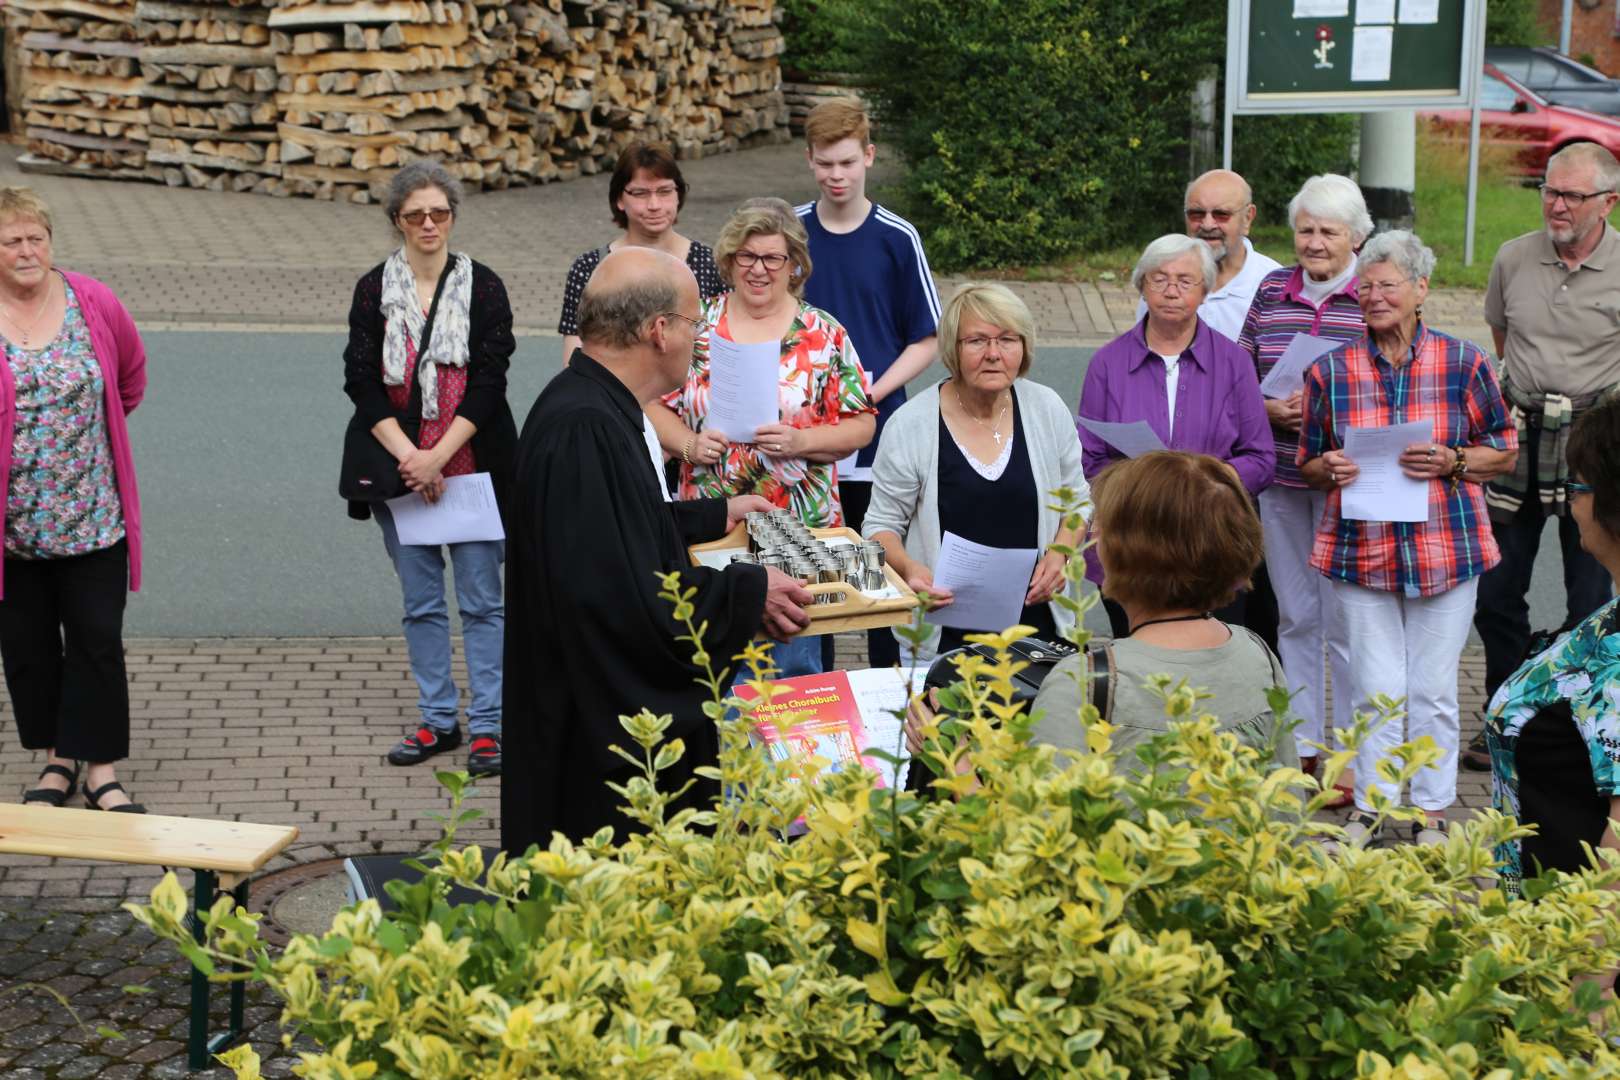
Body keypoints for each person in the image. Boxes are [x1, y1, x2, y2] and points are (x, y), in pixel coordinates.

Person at [502, 247, 814, 852]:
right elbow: (620, 596)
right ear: (659, 331)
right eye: (696, 323)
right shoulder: (585, 426)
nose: (699, 338)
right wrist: (750, 591)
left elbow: (615, 528)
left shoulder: (591, 403)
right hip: (594, 743)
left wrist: (715, 512)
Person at [1298, 231, 1517, 847]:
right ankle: (1370, 808)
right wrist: (1330, 468)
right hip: (1360, 551)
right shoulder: (1330, 370)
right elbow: (1309, 462)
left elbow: (1502, 450)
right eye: (1364, 287)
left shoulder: (1465, 361)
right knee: (1374, 689)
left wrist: (1451, 460)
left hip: (1446, 548)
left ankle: (1431, 811)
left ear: (1421, 289)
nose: (1373, 297)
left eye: (1387, 285)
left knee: (1431, 689)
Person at [905, 452, 1295, 773]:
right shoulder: (1257, 652)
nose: (1093, 538)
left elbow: (1034, 837)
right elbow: (1286, 795)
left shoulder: (1084, 682)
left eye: (1102, 529)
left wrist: (951, 754)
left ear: (1123, 553)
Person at [648, 198, 876, 678]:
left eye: (773, 258)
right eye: (747, 257)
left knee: (797, 673)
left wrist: (800, 442)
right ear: (729, 261)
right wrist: (688, 444)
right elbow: (652, 403)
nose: (759, 269)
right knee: (714, 671)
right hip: (712, 527)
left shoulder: (823, 334)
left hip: (799, 530)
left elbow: (862, 423)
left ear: (794, 265)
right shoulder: (697, 326)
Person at [342, 161, 516, 778]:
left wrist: (439, 456)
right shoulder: (373, 289)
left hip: (470, 464)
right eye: (415, 214)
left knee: (482, 603)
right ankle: (439, 718)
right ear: (397, 220)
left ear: (452, 217)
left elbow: (491, 382)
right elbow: (360, 382)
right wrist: (411, 458)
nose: (428, 224)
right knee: (421, 604)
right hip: (399, 468)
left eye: (439, 213)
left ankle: (490, 726)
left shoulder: (485, 286)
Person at [1467, 142, 1620, 772]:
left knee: (1590, 598)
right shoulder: (1512, 256)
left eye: (1572, 195)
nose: (1556, 205)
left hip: (1598, 439)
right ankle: (1510, 712)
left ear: (1608, 202)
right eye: (1549, 191)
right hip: (1520, 432)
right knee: (1496, 592)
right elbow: (1503, 338)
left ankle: (1581, 724)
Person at [0, 187, 148, 813]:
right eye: (11, 240)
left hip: (93, 514)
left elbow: (131, 380)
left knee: (95, 638)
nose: (27, 250)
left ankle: (102, 772)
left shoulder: (95, 301)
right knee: (29, 648)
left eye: (36, 238)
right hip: (10, 528)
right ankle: (60, 759)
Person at [863, 283, 1087, 657]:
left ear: (1024, 347)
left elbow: (1078, 500)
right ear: (953, 348)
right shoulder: (911, 425)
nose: (994, 354)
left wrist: (1060, 553)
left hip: (1041, 626)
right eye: (977, 341)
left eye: (1007, 339)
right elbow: (879, 526)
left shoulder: (1046, 408)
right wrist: (909, 569)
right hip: (946, 630)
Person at [795, 98, 941, 669]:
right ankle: (823, 693)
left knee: (874, 568)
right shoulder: (793, 230)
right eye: (826, 164)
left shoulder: (896, 237)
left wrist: (868, 395)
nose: (837, 176)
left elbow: (925, 339)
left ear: (869, 158)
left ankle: (882, 693)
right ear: (810, 160)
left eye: (848, 163)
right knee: (819, 574)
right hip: (802, 441)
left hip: (876, 435)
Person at [1237, 173, 1371, 784]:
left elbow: (1394, 377)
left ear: (1357, 237)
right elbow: (1237, 373)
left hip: (1350, 482)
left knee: (1346, 623)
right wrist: (1266, 409)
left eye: (1329, 231)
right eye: (1306, 229)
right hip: (1284, 479)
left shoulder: (1373, 292)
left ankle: (1347, 754)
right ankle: (1303, 747)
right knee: (1295, 616)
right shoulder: (1270, 289)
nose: (1315, 242)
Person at [1077, 233, 1273, 636]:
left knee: (1212, 659)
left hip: (1211, 539)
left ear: (1206, 291)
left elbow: (1260, 459)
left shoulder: (1234, 362)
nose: (1171, 291)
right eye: (1159, 279)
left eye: (1185, 281)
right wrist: (1146, 486)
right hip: (1134, 538)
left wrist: (1199, 483)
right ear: (1142, 287)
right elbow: (1090, 459)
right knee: (1138, 658)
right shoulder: (1107, 364)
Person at [1483, 396, 1620, 899]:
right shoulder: (1607, 621)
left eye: (1577, 487)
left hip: (1573, 946)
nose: (1570, 503)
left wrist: (1594, 968)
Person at [556, 142, 727, 362]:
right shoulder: (590, 268)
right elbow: (575, 358)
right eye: (641, 193)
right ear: (619, 199)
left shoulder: (710, 264)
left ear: (678, 194)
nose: (654, 204)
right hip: (614, 394)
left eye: (665, 191)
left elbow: (724, 346)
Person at [1133, 168, 1283, 343]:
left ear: (1248, 218)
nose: (1208, 224)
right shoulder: (1162, 277)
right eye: (1196, 214)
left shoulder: (1275, 287)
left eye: (1221, 215)